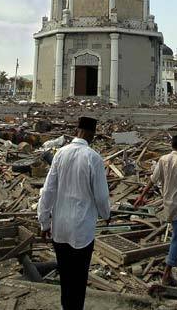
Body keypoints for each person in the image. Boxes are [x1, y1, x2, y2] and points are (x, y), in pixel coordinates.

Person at [37, 116, 110, 310]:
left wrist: (44, 222)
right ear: (91, 134)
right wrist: (106, 215)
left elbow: (47, 191)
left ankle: (65, 306)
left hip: (59, 228)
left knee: (66, 277)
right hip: (82, 231)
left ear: (77, 131)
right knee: (79, 280)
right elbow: (102, 197)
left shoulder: (60, 153)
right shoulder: (93, 158)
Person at [135, 135, 177, 285]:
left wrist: (141, 196)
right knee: (176, 236)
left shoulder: (163, 159)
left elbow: (152, 180)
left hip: (166, 203)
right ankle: (167, 274)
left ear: (171, 145)